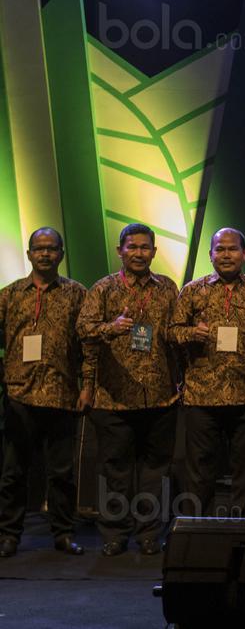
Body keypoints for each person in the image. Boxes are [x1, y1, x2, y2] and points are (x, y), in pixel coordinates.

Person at [77, 223, 180, 556]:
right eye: (132, 247)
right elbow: (84, 330)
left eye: (144, 247)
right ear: (120, 250)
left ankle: (149, 533)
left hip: (160, 396)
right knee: (115, 470)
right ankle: (114, 534)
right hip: (114, 398)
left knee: (155, 470)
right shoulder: (103, 288)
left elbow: (175, 335)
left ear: (154, 251)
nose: (138, 253)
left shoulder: (167, 288)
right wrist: (112, 327)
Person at [169, 228, 245, 518]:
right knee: (199, 470)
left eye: (232, 249)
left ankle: (242, 529)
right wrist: (191, 333)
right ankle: (197, 529)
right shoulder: (192, 290)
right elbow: (172, 332)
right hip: (202, 394)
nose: (226, 255)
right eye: (220, 249)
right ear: (211, 254)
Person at [0, 228, 88, 557]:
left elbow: (88, 346)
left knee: (62, 474)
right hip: (19, 394)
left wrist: (87, 385)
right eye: (39, 249)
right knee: (13, 473)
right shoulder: (9, 295)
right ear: (29, 254)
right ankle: (9, 535)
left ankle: (63, 534)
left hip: (62, 395)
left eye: (51, 248)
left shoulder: (77, 294)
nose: (45, 254)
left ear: (62, 253)